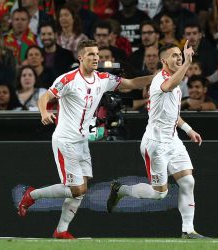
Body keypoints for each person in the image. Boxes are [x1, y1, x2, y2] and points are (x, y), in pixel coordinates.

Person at [17, 40, 154, 239]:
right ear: (80, 57)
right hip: (65, 139)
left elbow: (131, 84)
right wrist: (44, 112)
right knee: (76, 188)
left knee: (82, 187)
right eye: (90, 54)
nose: (96, 58)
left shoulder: (102, 78)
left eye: (97, 54)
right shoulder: (68, 79)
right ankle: (31, 195)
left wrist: (156, 78)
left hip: (82, 141)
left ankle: (61, 230)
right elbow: (44, 97)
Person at [106, 42, 207, 239]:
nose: (178, 58)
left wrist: (188, 129)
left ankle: (188, 230)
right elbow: (169, 85)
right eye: (174, 56)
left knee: (188, 181)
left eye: (180, 55)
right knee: (159, 194)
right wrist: (188, 62)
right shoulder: (161, 79)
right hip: (156, 144)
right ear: (163, 61)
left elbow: (171, 114)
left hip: (173, 140)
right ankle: (121, 190)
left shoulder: (175, 83)